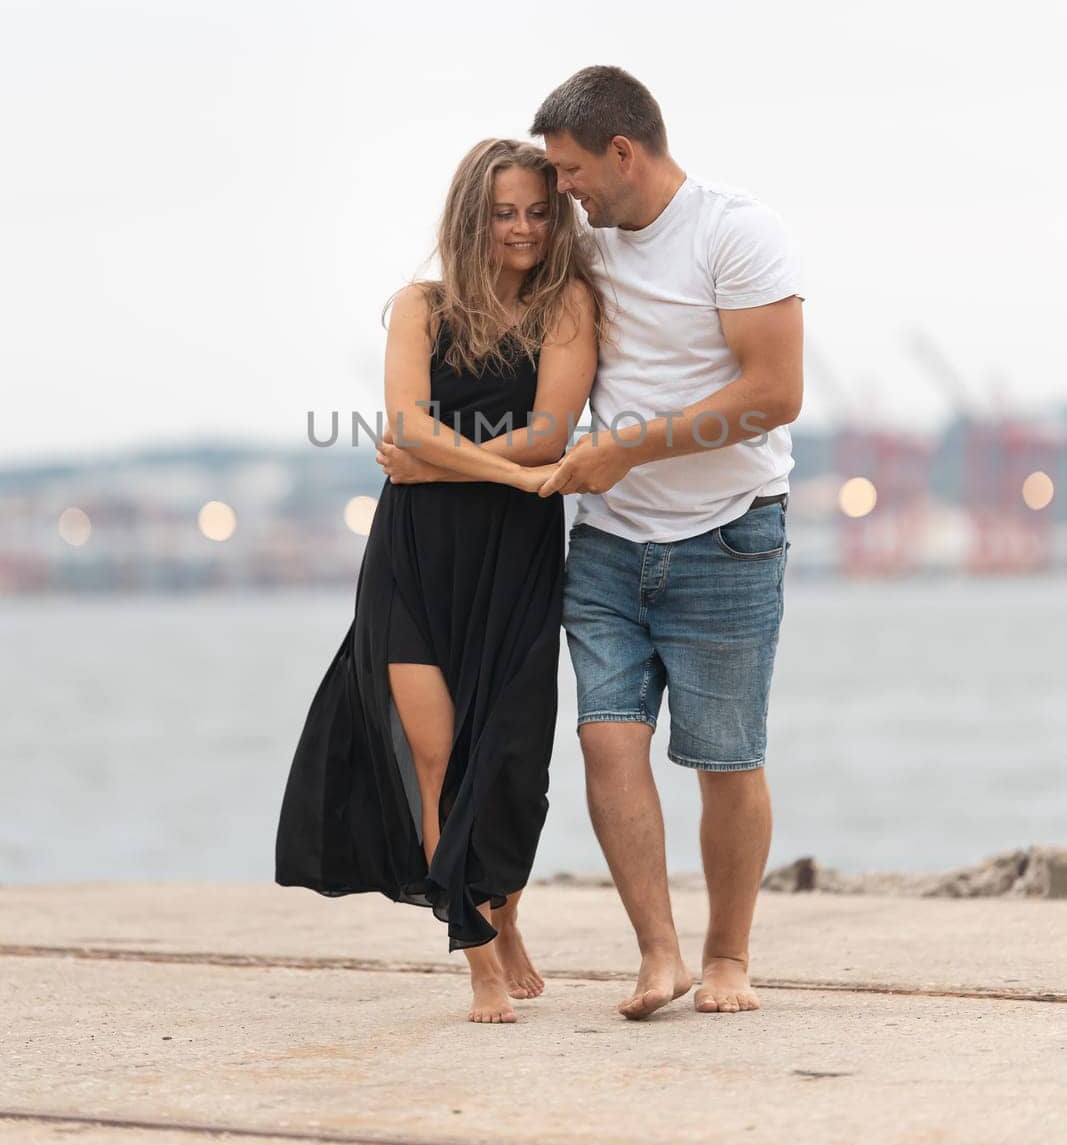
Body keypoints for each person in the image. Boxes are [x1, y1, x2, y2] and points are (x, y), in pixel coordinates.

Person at [275, 137, 601, 1024]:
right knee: (433, 755)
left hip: (515, 559)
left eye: (538, 210)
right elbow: (408, 429)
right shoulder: (419, 306)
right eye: (504, 213)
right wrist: (508, 472)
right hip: (414, 554)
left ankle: (504, 910)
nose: (523, 227)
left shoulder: (568, 303)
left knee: (507, 760)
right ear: (471, 217)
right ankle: (478, 955)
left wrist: (462, 464)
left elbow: (547, 436)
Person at [530, 66, 805, 1022]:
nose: (560, 189)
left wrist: (631, 446)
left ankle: (728, 957)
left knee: (726, 757)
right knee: (607, 741)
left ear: (622, 151)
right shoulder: (587, 248)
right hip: (608, 541)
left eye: (569, 170)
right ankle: (659, 956)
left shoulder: (737, 232)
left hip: (727, 536)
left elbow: (774, 395)